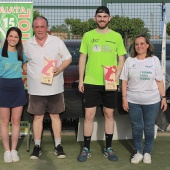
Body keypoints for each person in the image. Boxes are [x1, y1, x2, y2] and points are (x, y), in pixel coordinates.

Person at [77, 6, 126, 162]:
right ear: (95, 18)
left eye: (105, 16)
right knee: (89, 115)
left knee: (109, 114)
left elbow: (121, 59)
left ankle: (109, 148)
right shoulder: (87, 36)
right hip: (91, 82)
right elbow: (83, 58)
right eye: (99, 16)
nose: (102, 19)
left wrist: (116, 77)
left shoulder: (117, 36)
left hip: (110, 84)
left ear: (109, 18)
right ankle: (86, 148)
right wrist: (81, 79)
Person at [23, 16, 72, 159]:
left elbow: (67, 58)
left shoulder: (56, 42)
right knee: (37, 117)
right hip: (35, 89)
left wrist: (59, 68)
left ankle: (58, 145)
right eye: (36, 27)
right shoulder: (27, 44)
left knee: (55, 116)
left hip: (55, 88)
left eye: (42, 26)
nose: (39, 29)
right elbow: (22, 60)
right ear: (33, 28)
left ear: (47, 27)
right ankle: (37, 146)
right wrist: (24, 66)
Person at [120, 34, 167, 164]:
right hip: (133, 101)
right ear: (134, 47)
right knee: (136, 127)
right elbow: (124, 81)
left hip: (152, 101)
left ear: (147, 45)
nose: (139, 46)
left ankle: (147, 152)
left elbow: (159, 81)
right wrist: (124, 98)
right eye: (136, 44)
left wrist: (163, 98)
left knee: (149, 127)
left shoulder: (154, 60)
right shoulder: (130, 61)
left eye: (142, 43)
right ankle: (139, 152)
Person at [0, 27, 27, 163]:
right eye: (11, 36)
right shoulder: (0, 52)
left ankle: (14, 150)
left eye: (16, 37)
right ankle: (6, 151)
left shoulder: (21, 53)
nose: (13, 39)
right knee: (4, 122)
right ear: (7, 37)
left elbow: (29, 68)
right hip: (3, 87)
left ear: (19, 39)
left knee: (16, 121)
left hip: (17, 87)